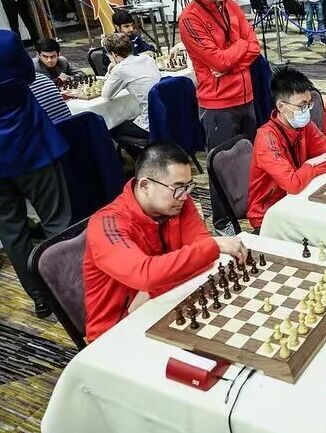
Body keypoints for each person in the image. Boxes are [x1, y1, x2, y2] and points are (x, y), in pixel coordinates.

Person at [83, 143, 249, 342]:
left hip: (166, 302)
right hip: (117, 330)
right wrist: (154, 279)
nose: (185, 196)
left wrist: (151, 288)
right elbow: (145, 274)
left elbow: (204, 257)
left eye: (188, 186)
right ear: (145, 186)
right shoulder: (106, 224)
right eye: (177, 188)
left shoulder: (177, 202)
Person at [0, 30, 71, 318]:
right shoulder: (6, 41)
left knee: (12, 233)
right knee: (57, 221)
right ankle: (68, 291)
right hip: (30, 144)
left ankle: (40, 298)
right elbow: (30, 76)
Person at [179, 0, 261, 235]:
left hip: (246, 97)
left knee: (250, 161)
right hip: (217, 103)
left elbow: (254, 47)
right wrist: (241, 45)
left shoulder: (230, 6)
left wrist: (231, 64)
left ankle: (252, 207)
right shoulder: (190, 18)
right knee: (220, 166)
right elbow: (218, 61)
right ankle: (222, 222)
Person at [246, 67, 326, 229]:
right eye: (302, 105)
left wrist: (305, 172)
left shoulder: (304, 126)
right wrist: (310, 165)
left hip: (298, 196)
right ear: (281, 106)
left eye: (309, 104)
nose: (307, 110)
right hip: (269, 214)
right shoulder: (267, 139)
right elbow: (292, 184)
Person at [101, 33, 161, 159]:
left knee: (112, 127)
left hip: (150, 124)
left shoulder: (120, 69)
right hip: (165, 117)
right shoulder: (147, 59)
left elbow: (106, 95)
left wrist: (112, 69)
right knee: (131, 116)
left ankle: (142, 159)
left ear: (113, 55)